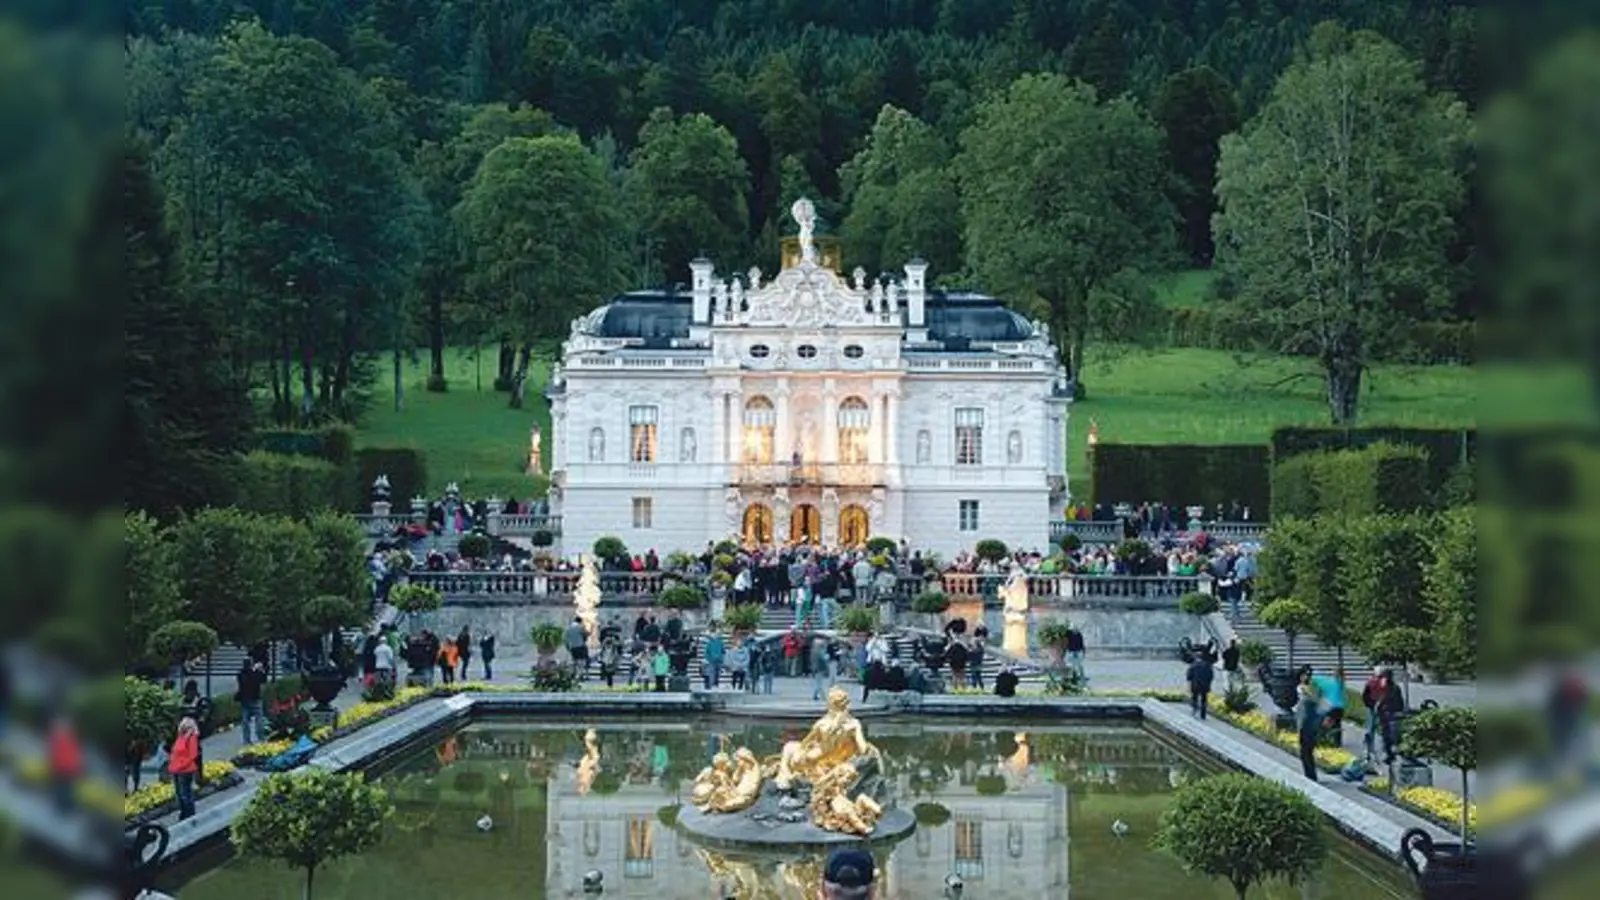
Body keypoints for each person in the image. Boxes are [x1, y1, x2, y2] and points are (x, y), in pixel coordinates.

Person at [48, 714, 83, 815]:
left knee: (65, 789)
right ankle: (64, 807)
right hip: (65, 768)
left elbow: (74, 753)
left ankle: (65, 807)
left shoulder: (67, 738)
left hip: (67, 768)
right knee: (64, 789)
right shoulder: (62, 738)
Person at [169, 717, 201, 820]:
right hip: (175, 769)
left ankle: (189, 813)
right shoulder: (180, 737)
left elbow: (193, 754)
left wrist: (182, 765)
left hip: (185, 770)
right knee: (179, 793)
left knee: (185, 793)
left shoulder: (192, 737)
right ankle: (183, 812)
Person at [1295, 669, 1322, 781]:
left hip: (1307, 728)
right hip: (1309, 727)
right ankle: (1310, 774)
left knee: (1306, 752)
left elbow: (1304, 716)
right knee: (1307, 752)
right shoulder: (1309, 695)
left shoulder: (1307, 699)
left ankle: (1310, 775)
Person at [236, 653, 268, 744]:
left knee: (245, 720)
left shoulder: (241, 674)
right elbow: (263, 679)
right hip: (255, 699)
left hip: (244, 700)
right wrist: (259, 669)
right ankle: (261, 738)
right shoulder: (255, 674)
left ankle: (246, 740)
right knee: (259, 719)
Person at [1186, 653, 1215, 719]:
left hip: (1195, 684)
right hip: (1205, 685)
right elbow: (1211, 676)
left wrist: (1189, 684)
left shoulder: (1193, 665)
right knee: (1204, 699)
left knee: (1195, 697)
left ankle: (1194, 710)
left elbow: (1189, 676)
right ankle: (1203, 714)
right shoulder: (1208, 665)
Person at [810, 637, 832, 701]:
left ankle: (815, 695)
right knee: (819, 684)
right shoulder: (820, 652)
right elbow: (825, 658)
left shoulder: (813, 651)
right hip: (820, 668)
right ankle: (823, 697)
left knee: (818, 682)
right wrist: (828, 656)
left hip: (815, 668)